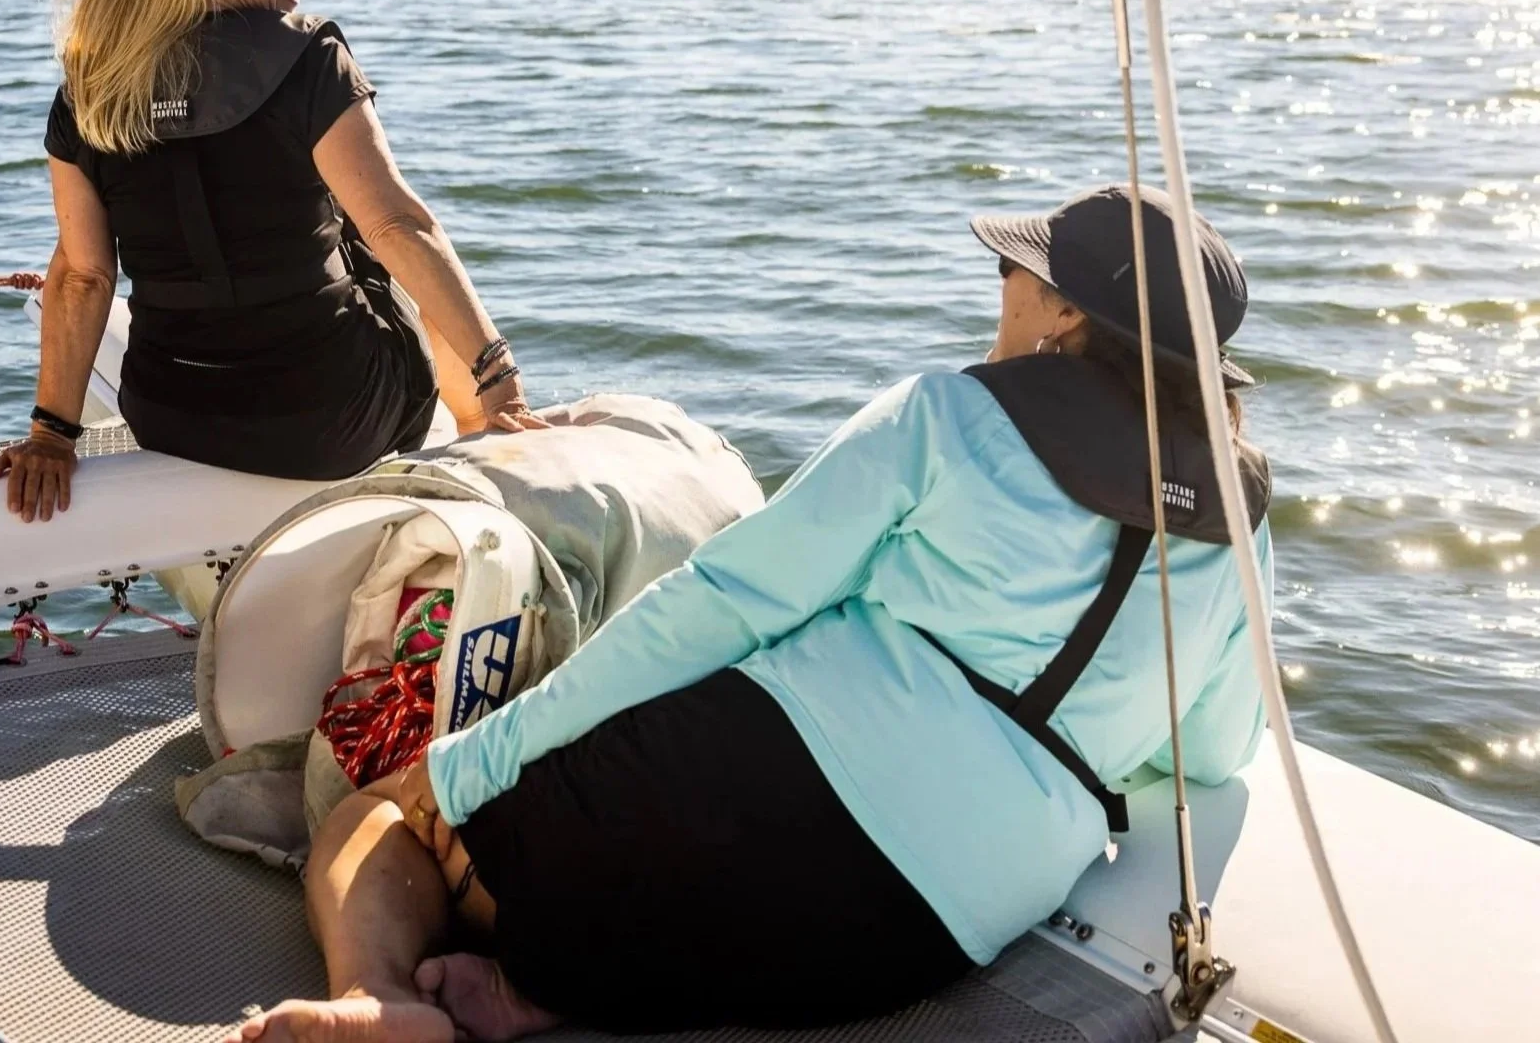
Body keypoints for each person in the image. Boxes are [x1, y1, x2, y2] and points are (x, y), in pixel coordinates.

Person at [228, 186, 1275, 1043]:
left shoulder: (952, 416)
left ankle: (384, 1001)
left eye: (1014, 271)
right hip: (922, 936)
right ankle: (541, 993)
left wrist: (469, 762)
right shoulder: (1239, 518)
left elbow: (722, 603)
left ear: (1066, 318)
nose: (997, 288)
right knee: (685, 925)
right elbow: (1213, 752)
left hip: (764, 800)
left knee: (379, 822)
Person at [0, 0, 542, 522]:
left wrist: (50, 436)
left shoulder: (91, 81)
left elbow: (83, 274)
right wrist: (502, 381)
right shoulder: (310, 60)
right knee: (370, 226)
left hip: (171, 416)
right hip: (327, 425)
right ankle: (483, 428)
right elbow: (400, 226)